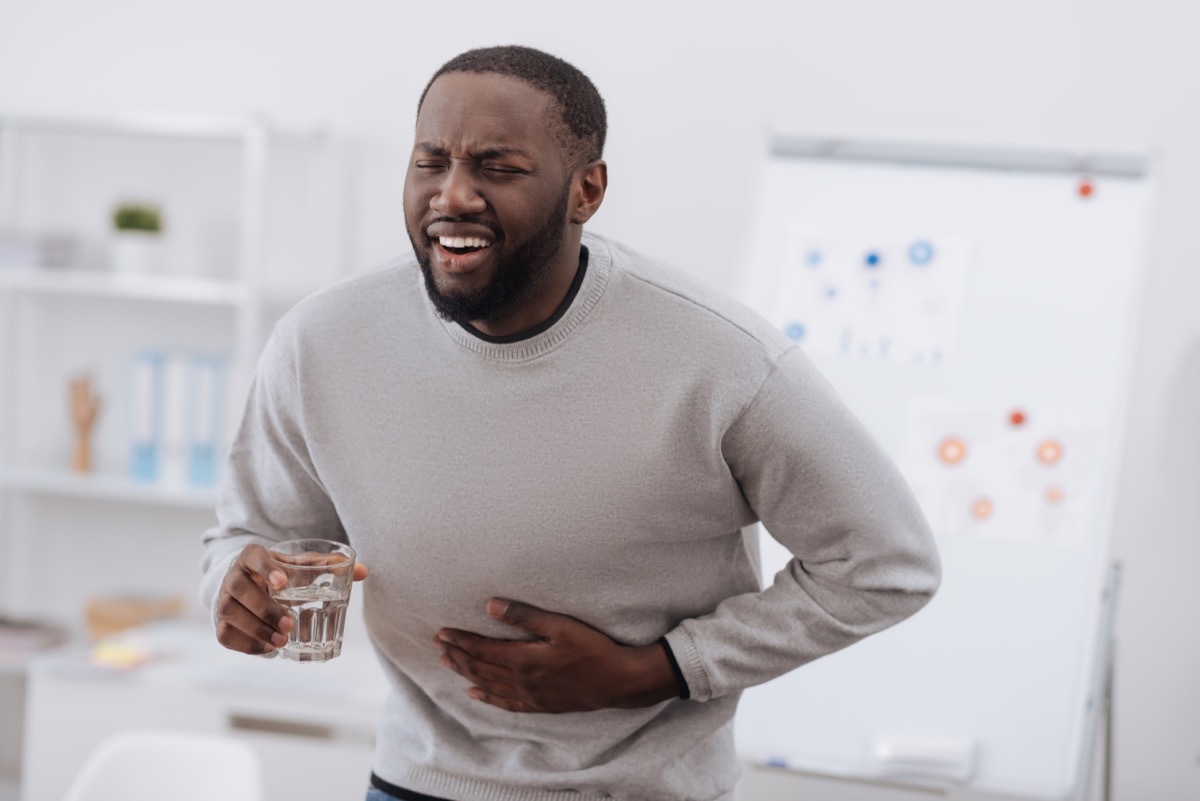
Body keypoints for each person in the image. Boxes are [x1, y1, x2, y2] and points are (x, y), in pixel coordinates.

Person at [200, 45, 941, 801]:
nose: (452, 195)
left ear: (586, 190)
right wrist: (234, 588)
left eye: (498, 167)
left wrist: (659, 667)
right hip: (413, 780)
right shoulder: (322, 340)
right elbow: (249, 530)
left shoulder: (721, 360)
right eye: (431, 162)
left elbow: (885, 561)